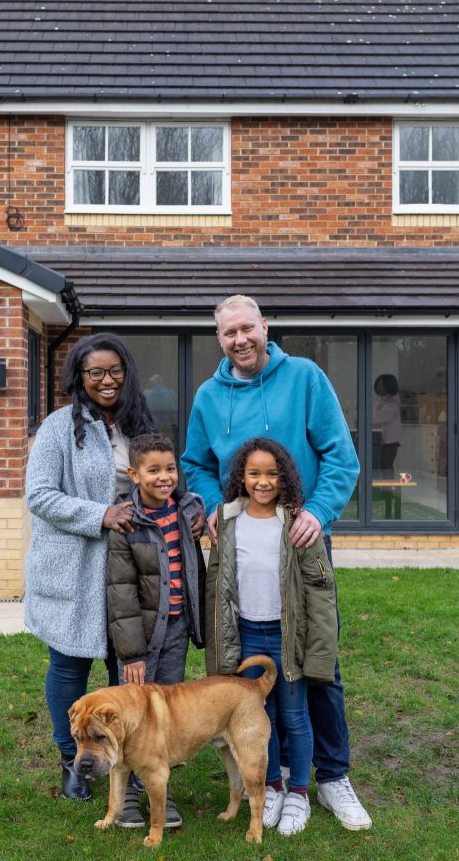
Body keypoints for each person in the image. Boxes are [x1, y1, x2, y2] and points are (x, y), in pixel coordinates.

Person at [181, 294, 372, 831]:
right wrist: (211, 508)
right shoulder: (209, 397)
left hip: (302, 543)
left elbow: (341, 455)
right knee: (250, 662)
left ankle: (331, 777)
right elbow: (195, 464)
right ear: (218, 339)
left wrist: (318, 509)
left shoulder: (305, 378)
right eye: (228, 333)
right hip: (241, 550)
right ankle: (275, 773)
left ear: (265, 327)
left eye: (248, 328)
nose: (240, 340)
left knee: (318, 665)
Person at [24, 333, 155, 801]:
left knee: (130, 672)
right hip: (73, 568)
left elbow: (160, 477)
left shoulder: (138, 424)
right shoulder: (59, 427)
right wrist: (99, 514)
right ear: (79, 377)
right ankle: (72, 760)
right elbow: (38, 495)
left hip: (129, 568)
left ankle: (131, 762)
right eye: (95, 372)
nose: (106, 380)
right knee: (69, 666)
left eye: (114, 371)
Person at [205, 437, 337, 837]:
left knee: (295, 716)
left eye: (272, 474)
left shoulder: (297, 524)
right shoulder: (226, 520)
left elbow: (320, 591)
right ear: (240, 478)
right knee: (263, 717)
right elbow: (217, 584)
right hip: (245, 636)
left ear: (285, 478)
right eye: (254, 474)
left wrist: (319, 652)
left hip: (285, 638)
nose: (263, 482)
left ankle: (299, 792)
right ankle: (273, 787)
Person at [105, 432, 207, 831]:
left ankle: (159, 788)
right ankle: (128, 796)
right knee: (132, 715)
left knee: (165, 716)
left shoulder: (185, 509)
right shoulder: (127, 522)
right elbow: (121, 591)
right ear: (134, 473)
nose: (165, 477)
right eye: (154, 470)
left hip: (177, 630)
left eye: (170, 469)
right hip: (140, 637)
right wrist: (131, 654)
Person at [372, 374, 402, 476]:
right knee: (381, 467)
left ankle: (388, 490)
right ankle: (384, 489)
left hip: (389, 442)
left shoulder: (393, 401)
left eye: (382, 385)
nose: (380, 387)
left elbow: (378, 417)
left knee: (386, 467)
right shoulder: (380, 400)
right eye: (378, 384)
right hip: (381, 441)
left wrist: (366, 418)